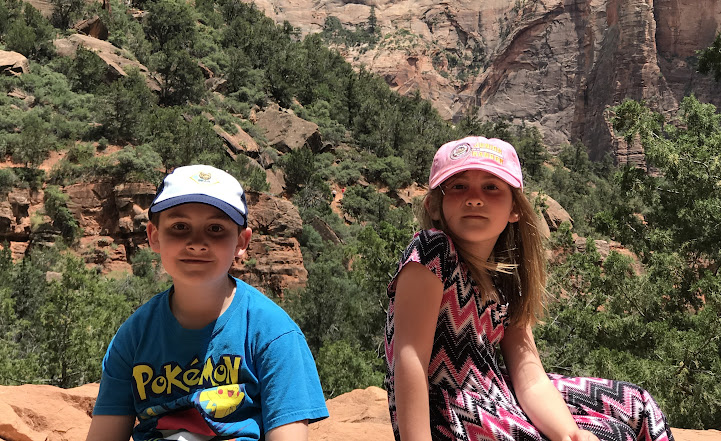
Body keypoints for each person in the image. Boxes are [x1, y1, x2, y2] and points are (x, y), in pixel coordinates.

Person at [384, 136, 674, 441]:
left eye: (491, 187)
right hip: (452, 415)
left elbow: (530, 375)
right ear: (433, 205)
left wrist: (569, 434)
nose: (474, 198)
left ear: (515, 209)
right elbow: (410, 358)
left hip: (495, 394)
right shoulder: (433, 251)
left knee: (637, 404)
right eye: (458, 186)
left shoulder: (506, 277)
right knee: (615, 435)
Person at [86, 164, 328, 441]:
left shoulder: (273, 334)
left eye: (215, 228)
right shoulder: (134, 336)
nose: (197, 243)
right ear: (154, 236)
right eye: (180, 227)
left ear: (241, 242)